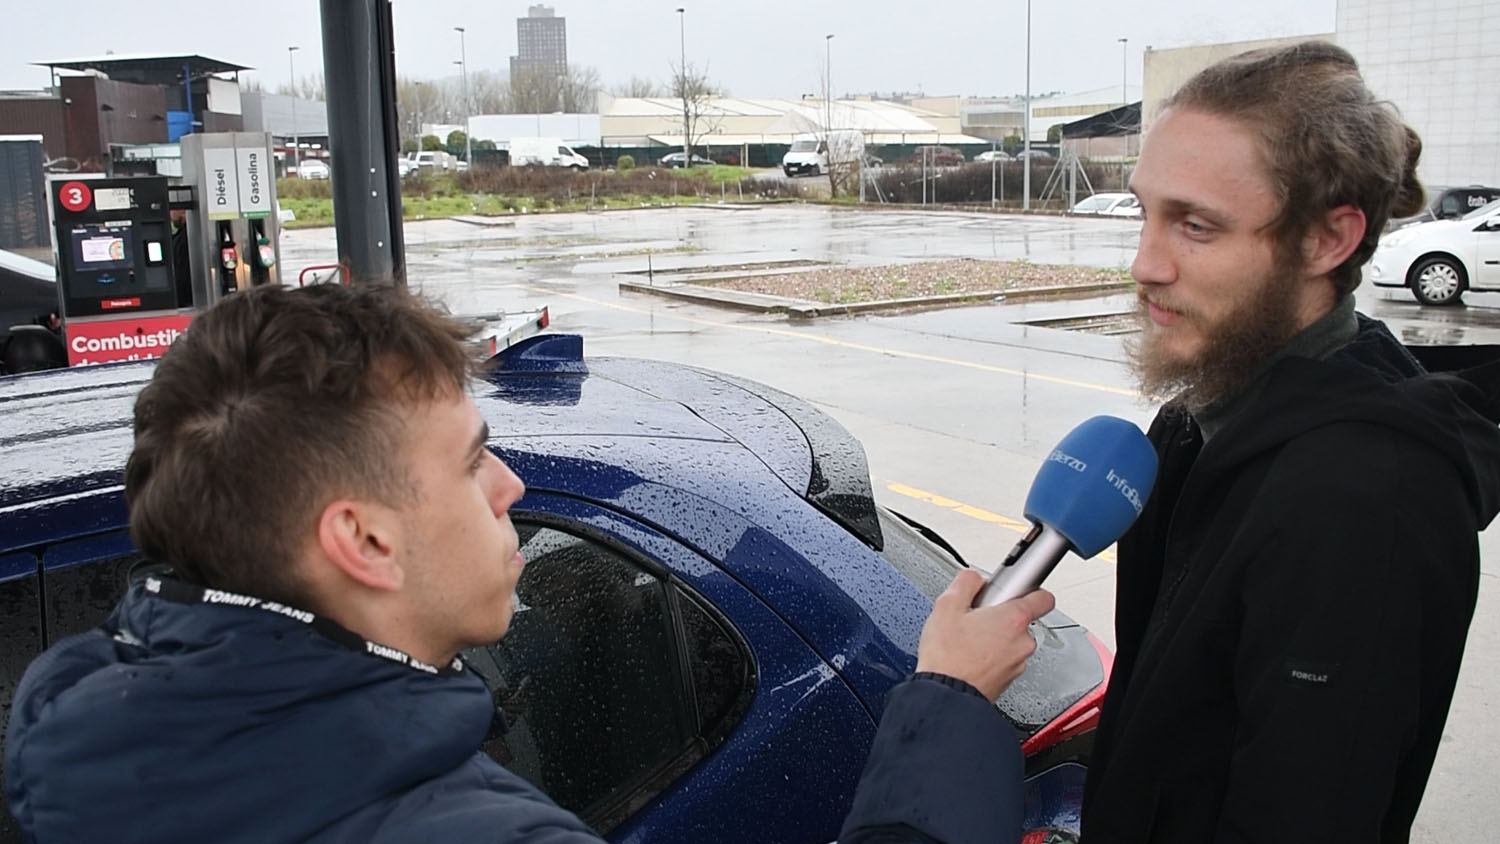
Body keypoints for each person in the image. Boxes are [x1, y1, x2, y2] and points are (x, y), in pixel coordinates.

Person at [4, 282, 1055, 844]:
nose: (509, 487)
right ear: (363, 540)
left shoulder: (84, 747)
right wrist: (948, 701)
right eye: (470, 463)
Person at [1081, 42, 1500, 842]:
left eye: (1196, 226)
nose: (1145, 263)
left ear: (1325, 242)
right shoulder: (1198, 414)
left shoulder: (1365, 499)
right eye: (1145, 211)